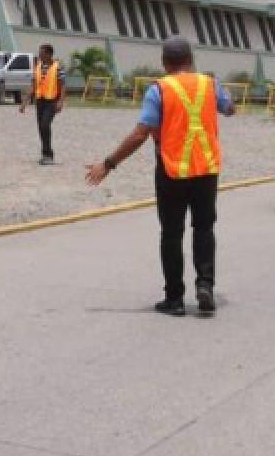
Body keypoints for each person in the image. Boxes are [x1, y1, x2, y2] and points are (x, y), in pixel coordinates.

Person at [84, 36, 234, 316]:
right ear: (191, 59)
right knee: (203, 229)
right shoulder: (210, 84)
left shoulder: (159, 90)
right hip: (205, 170)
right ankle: (205, 286)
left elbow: (141, 133)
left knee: (172, 233)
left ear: (165, 62)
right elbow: (230, 109)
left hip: (171, 171)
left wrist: (108, 163)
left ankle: (175, 299)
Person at [20, 43, 66, 164]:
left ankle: (49, 155)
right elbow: (34, 85)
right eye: (39, 53)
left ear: (48, 54)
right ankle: (45, 154)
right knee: (41, 127)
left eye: (41, 53)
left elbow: (63, 86)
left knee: (45, 125)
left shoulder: (58, 67)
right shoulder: (38, 66)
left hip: (52, 101)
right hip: (40, 101)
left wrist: (61, 101)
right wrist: (25, 102)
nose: (39, 55)